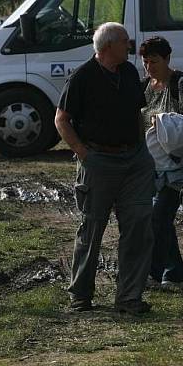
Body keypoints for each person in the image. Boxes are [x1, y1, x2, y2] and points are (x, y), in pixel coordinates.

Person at [54, 22, 156, 315]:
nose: (130, 45)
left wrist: (142, 150)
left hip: (134, 160)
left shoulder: (127, 72)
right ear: (109, 45)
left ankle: (129, 298)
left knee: (138, 225)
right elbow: (61, 119)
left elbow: (137, 112)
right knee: (92, 229)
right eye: (126, 41)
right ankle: (80, 296)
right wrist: (84, 154)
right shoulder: (82, 76)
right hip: (99, 160)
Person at [140, 36, 183, 291]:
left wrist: (161, 124)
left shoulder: (180, 83)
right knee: (160, 219)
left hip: (176, 166)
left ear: (167, 59)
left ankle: (159, 272)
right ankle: (174, 274)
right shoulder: (146, 87)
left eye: (154, 61)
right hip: (152, 165)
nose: (150, 67)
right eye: (146, 62)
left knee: (158, 217)